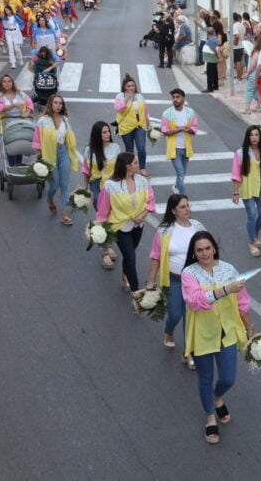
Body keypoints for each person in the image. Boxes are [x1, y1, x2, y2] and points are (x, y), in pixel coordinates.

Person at [181, 231, 254, 444]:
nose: (204, 253)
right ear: (194, 253)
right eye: (199, 250)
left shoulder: (229, 269)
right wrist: (223, 290)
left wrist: (250, 327)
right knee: (205, 378)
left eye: (207, 248)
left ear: (214, 247)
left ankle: (216, 397)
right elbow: (194, 300)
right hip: (203, 333)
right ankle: (210, 416)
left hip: (227, 331)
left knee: (228, 378)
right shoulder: (189, 273)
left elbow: (241, 301)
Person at [146, 195, 206, 368]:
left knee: (191, 317)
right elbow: (155, 257)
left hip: (195, 281)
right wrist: (151, 282)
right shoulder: (164, 230)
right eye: (182, 207)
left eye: (188, 205)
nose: (187, 209)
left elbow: (209, 251)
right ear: (173, 211)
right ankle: (169, 330)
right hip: (173, 280)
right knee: (175, 314)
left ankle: (188, 352)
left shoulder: (198, 227)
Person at [96, 152, 156, 294]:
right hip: (119, 227)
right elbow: (103, 210)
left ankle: (125, 276)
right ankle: (137, 294)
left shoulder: (142, 181)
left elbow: (151, 201)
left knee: (130, 255)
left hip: (138, 225)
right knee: (131, 256)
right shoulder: (110, 185)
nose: (138, 165)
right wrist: (99, 229)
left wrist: (142, 215)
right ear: (127, 166)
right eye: (135, 163)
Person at [33, 94, 79, 226]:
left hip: (63, 152)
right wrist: (40, 155)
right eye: (56, 103)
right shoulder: (42, 120)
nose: (58, 105)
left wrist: (71, 151)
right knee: (55, 184)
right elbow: (37, 141)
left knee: (64, 185)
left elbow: (69, 138)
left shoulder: (65, 120)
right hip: (49, 154)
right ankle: (49, 198)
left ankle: (64, 214)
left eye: (60, 103)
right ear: (50, 104)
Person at [231, 125, 261, 257]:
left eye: (256, 135)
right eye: (251, 135)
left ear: (260, 137)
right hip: (247, 188)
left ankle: (254, 232)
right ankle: (252, 242)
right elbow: (235, 174)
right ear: (247, 137)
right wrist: (235, 192)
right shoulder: (240, 153)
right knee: (251, 214)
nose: (254, 137)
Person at [82, 121, 121, 269]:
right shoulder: (89, 150)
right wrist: (85, 190)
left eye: (108, 132)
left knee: (111, 217)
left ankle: (108, 243)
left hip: (112, 186)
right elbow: (86, 171)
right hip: (96, 186)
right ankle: (105, 251)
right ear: (97, 135)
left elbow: (120, 168)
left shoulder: (115, 148)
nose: (108, 134)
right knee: (102, 217)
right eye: (104, 132)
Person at [160, 88, 197, 196]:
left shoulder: (190, 112)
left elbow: (194, 128)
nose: (175, 99)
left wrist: (187, 129)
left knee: (183, 174)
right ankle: (182, 197)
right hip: (174, 149)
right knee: (180, 174)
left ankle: (176, 186)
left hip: (186, 148)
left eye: (178, 97)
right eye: (173, 97)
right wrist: (177, 130)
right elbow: (164, 131)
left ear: (183, 99)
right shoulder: (167, 113)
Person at [0, 74, 34, 166]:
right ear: (1, 84)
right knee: (10, 146)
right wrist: (14, 105)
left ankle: (18, 166)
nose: (7, 83)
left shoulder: (20, 94)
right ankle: (12, 167)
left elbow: (30, 104)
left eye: (9, 81)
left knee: (20, 144)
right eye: (4, 82)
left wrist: (27, 113)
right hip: (7, 123)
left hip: (20, 122)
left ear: (12, 83)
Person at [114, 74, 150, 171]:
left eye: (132, 85)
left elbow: (145, 110)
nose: (131, 88)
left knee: (141, 147)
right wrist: (126, 99)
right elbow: (118, 109)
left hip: (140, 125)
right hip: (126, 126)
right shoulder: (120, 96)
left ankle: (142, 168)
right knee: (129, 149)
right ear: (124, 87)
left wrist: (148, 121)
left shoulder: (140, 96)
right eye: (128, 86)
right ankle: (130, 168)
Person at [242, 35, 261, 114]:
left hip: (253, 75)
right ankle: (258, 107)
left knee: (249, 91)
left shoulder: (255, 52)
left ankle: (247, 109)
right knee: (258, 91)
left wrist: (247, 73)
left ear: (254, 41)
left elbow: (253, 65)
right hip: (260, 75)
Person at [0, 5, 25, 69]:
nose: (7, 12)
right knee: (10, 48)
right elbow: (3, 28)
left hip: (16, 33)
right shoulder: (4, 19)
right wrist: (3, 36)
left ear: (11, 10)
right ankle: (13, 63)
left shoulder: (15, 17)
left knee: (17, 48)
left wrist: (21, 29)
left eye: (8, 10)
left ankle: (20, 59)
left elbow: (21, 23)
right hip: (8, 33)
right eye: (6, 11)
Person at [201, 26, 220, 93]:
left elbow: (213, 49)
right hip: (212, 58)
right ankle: (215, 85)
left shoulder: (211, 40)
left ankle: (210, 88)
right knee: (214, 72)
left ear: (207, 33)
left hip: (211, 58)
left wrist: (218, 56)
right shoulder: (214, 38)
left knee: (210, 73)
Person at [232, 12, 245, 80]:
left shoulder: (235, 26)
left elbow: (237, 36)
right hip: (241, 46)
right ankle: (240, 76)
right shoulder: (242, 25)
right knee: (239, 61)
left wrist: (235, 42)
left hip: (236, 47)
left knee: (237, 62)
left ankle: (239, 77)